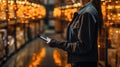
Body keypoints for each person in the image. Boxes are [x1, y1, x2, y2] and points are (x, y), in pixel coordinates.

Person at [44, 0, 103, 67]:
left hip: (83, 63)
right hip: (82, 62)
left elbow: (83, 46)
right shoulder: (85, 11)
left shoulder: (86, 13)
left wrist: (56, 43)